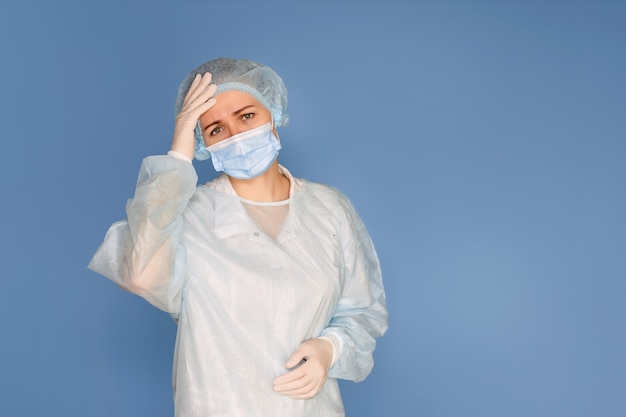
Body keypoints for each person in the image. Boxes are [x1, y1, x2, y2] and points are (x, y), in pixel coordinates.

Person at [88, 57, 388, 417]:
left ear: (273, 118)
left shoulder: (330, 209)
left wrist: (331, 348)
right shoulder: (187, 215)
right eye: (216, 129)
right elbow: (140, 274)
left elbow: (362, 310)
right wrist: (178, 156)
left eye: (247, 116)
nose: (237, 136)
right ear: (203, 145)